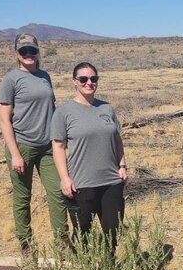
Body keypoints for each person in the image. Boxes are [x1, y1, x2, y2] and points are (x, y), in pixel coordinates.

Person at [0, 33, 68, 255]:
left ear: (38, 52)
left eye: (32, 50)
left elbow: (52, 110)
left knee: (58, 192)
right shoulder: (11, 80)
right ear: (16, 53)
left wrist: (60, 138)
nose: (28, 55)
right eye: (23, 51)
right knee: (22, 197)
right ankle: (26, 243)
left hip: (48, 147)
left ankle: (62, 241)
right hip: (23, 146)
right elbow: (4, 119)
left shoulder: (44, 76)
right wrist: (15, 153)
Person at [52, 62, 128, 250]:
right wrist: (64, 178)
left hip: (111, 181)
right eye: (83, 79)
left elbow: (117, 139)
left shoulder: (107, 108)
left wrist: (122, 166)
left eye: (93, 79)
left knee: (113, 233)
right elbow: (58, 147)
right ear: (74, 81)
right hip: (81, 184)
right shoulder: (63, 112)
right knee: (82, 234)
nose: (89, 83)